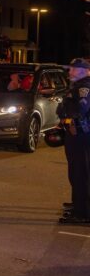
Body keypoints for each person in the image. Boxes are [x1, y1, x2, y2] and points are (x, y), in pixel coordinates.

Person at [57, 58, 90, 225]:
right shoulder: (78, 86)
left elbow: (80, 110)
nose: (69, 72)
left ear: (83, 71)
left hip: (81, 136)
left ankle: (82, 213)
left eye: (73, 69)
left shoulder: (84, 87)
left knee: (80, 173)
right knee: (77, 172)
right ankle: (79, 205)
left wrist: (66, 115)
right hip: (78, 135)